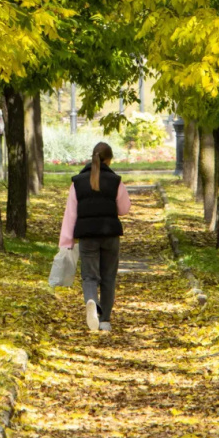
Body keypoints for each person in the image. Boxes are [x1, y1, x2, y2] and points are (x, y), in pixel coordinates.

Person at [58, 142, 131, 332]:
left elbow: (70, 214)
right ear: (108, 160)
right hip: (110, 235)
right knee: (108, 277)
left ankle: (91, 301)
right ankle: (105, 320)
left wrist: (66, 242)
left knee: (89, 277)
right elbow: (124, 209)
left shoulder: (78, 182)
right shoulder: (116, 181)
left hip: (87, 236)